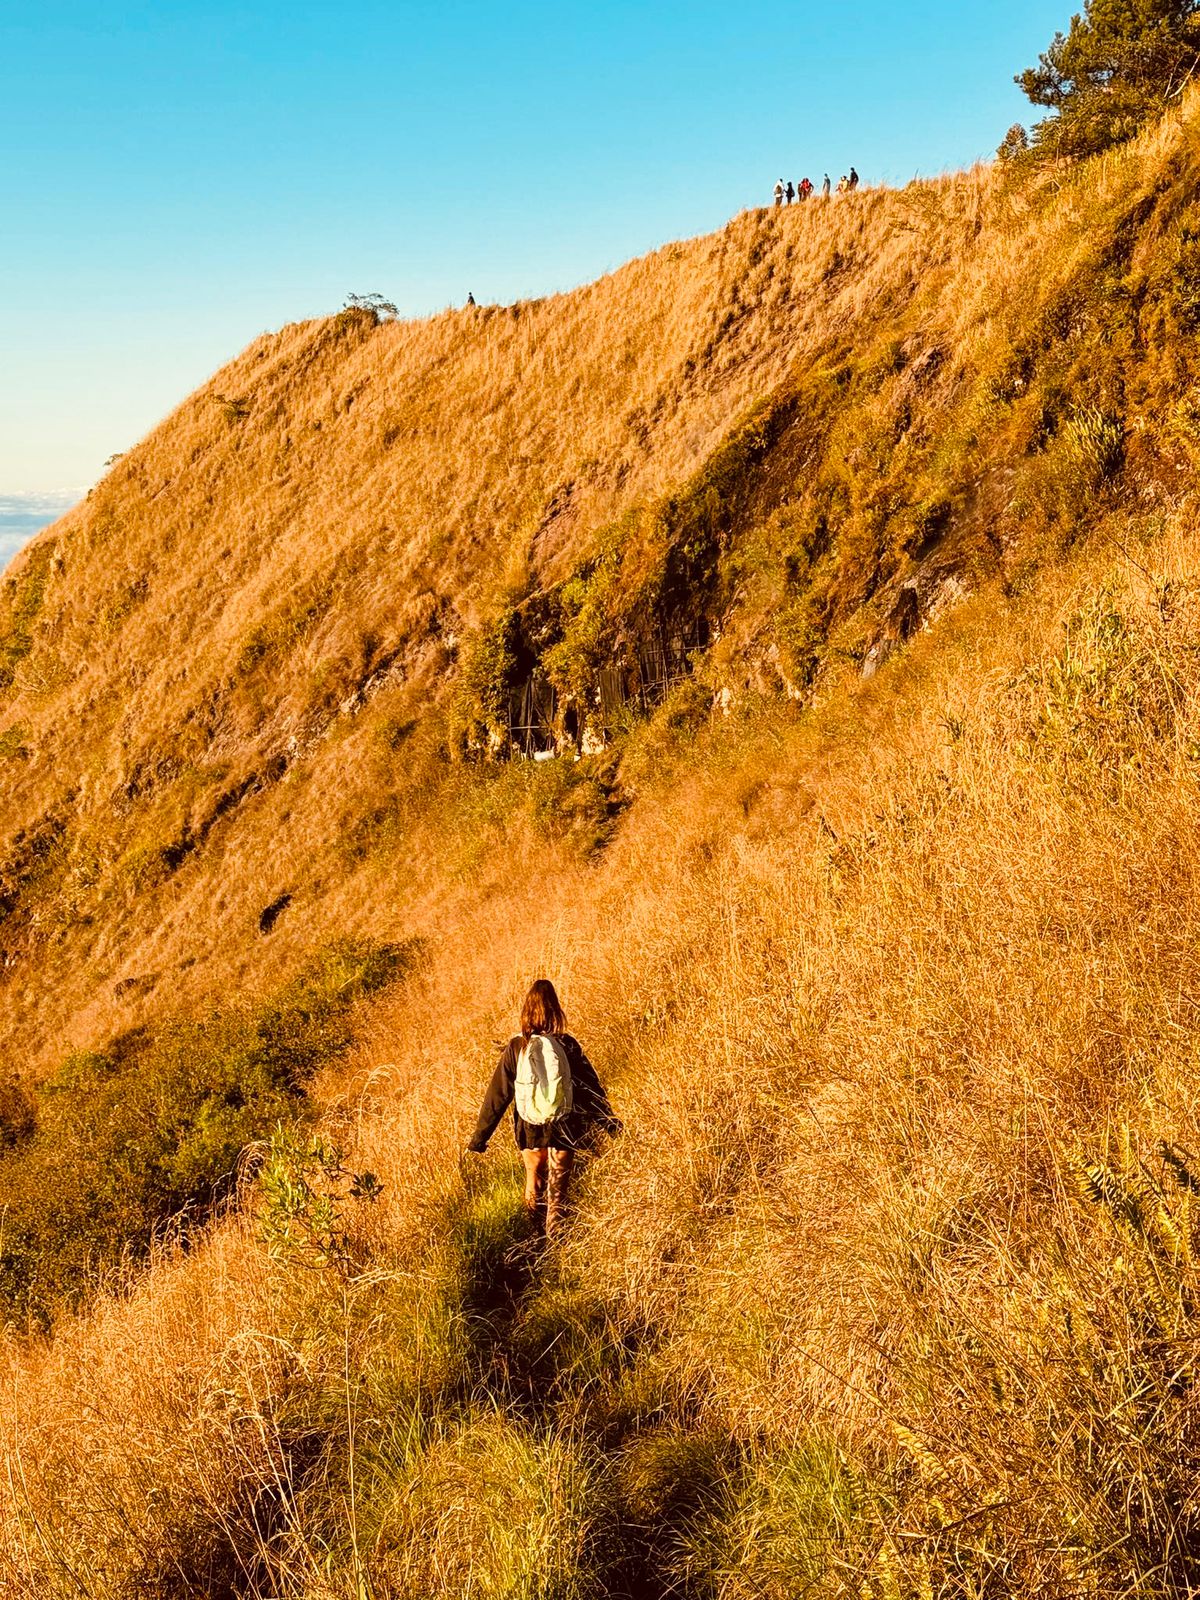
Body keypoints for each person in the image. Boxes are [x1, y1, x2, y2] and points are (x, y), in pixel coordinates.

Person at [466, 978, 620, 1236]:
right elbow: (590, 1088)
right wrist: (609, 1123)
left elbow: (497, 1096)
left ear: (526, 1010)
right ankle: (555, 1239)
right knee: (558, 1191)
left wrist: (479, 1138)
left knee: (534, 1180)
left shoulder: (516, 1047)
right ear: (555, 1010)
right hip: (564, 1124)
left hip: (530, 1127)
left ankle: (534, 1235)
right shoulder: (567, 1044)